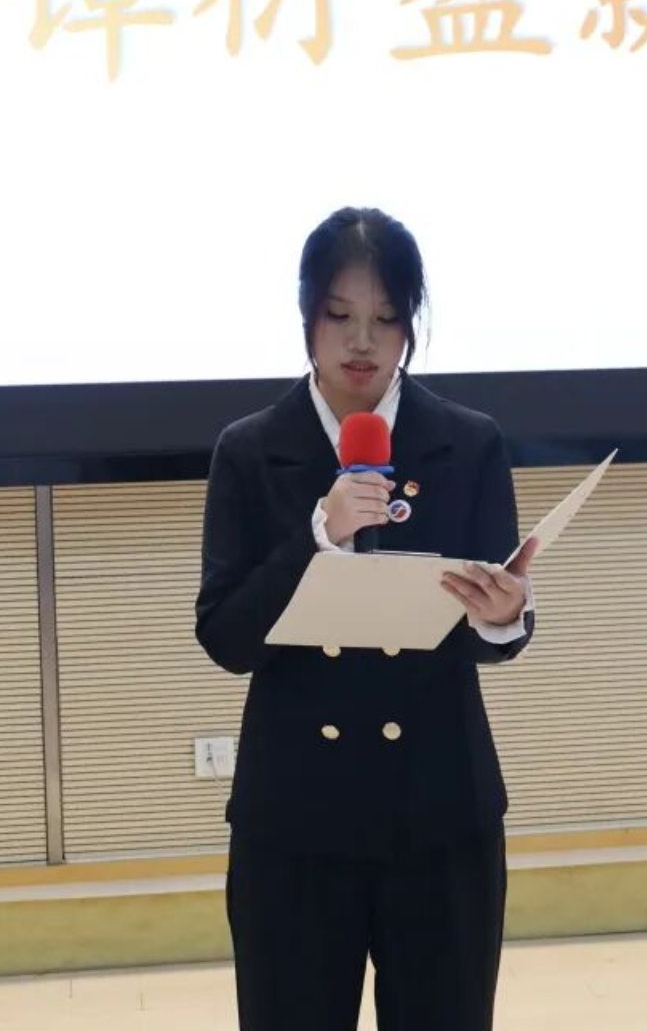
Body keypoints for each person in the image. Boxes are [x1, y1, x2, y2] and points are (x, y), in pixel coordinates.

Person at [194, 206, 538, 1031]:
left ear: (411, 324)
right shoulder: (250, 450)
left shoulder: (468, 442)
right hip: (297, 822)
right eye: (340, 315)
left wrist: (504, 618)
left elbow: (497, 628)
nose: (362, 341)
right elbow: (226, 636)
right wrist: (317, 535)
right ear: (307, 318)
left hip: (441, 814)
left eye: (386, 318)